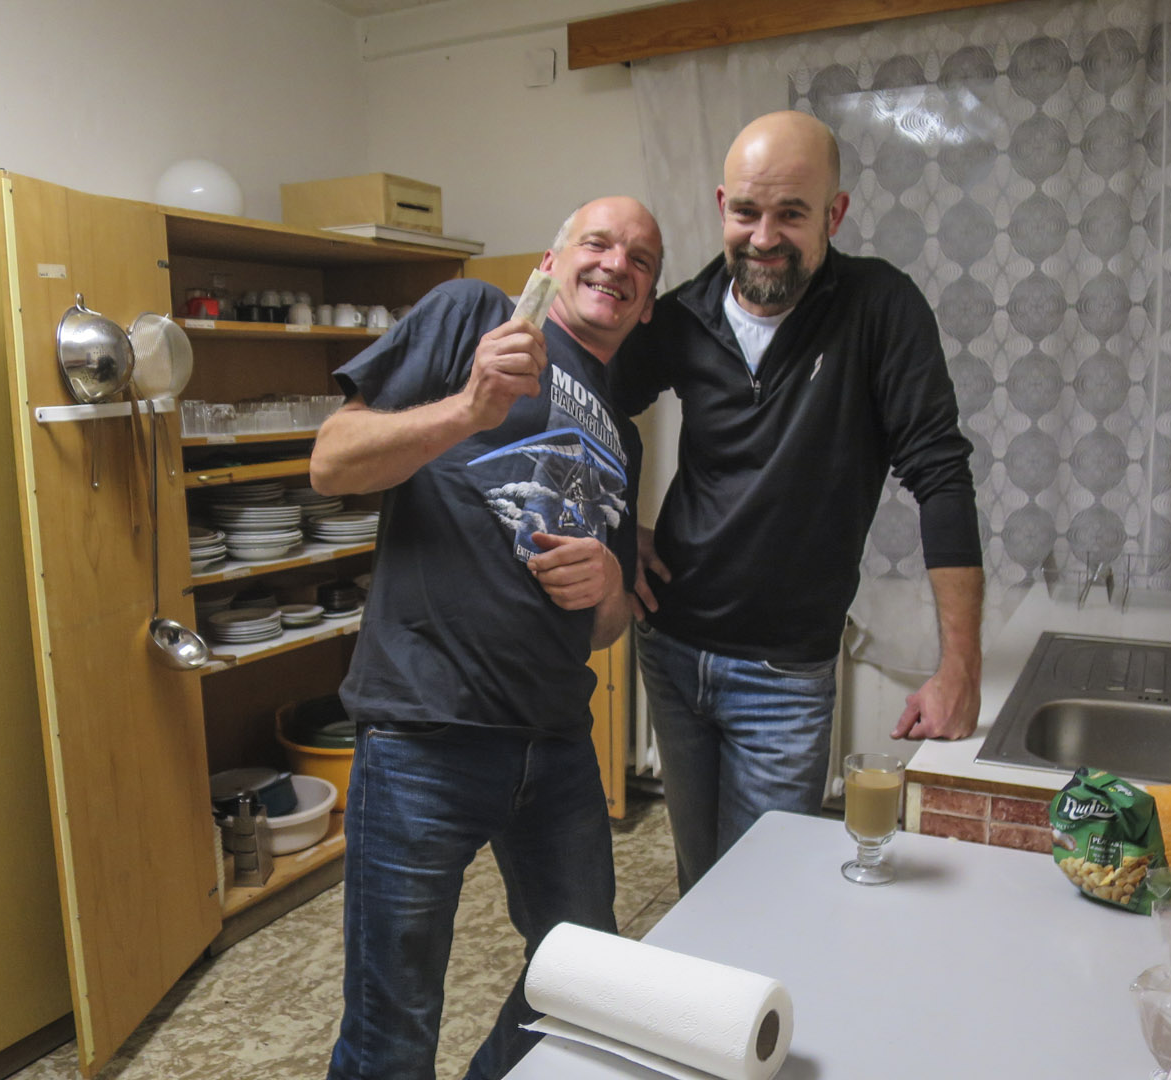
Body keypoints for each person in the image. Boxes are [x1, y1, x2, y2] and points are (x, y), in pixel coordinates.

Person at [311, 195, 663, 1080]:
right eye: (599, 242)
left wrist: (610, 583)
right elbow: (332, 461)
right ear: (553, 261)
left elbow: (607, 626)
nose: (617, 264)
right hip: (423, 734)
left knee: (586, 985)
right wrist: (468, 408)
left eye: (641, 260)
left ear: (648, 303)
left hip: (556, 744)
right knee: (392, 1031)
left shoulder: (623, 435)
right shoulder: (475, 316)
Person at [610, 110, 984, 893]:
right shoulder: (682, 317)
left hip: (784, 676)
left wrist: (960, 667)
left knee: (768, 896)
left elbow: (941, 476)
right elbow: (589, 405)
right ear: (722, 207)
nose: (764, 237)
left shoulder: (879, 308)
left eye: (791, 214)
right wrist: (615, 531)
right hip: (671, 648)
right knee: (701, 885)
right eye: (747, 212)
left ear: (834, 214)